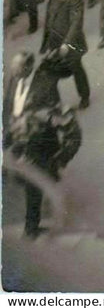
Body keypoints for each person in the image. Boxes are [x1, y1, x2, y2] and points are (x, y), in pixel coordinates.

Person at [3, 52, 63, 238]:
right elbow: (7, 106)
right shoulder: (14, 80)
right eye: (13, 69)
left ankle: (31, 227)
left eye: (18, 69)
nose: (14, 72)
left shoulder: (45, 84)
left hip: (37, 139)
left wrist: (34, 124)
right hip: (16, 135)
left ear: (28, 67)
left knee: (32, 182)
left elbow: (55, 111)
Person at [40, 0, 90, 110]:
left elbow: (76, 22)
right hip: (54, 40)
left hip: (70, 42)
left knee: (76, 69)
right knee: (50, 72)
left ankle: (84, 96)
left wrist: (67, 44)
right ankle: (55, 103)